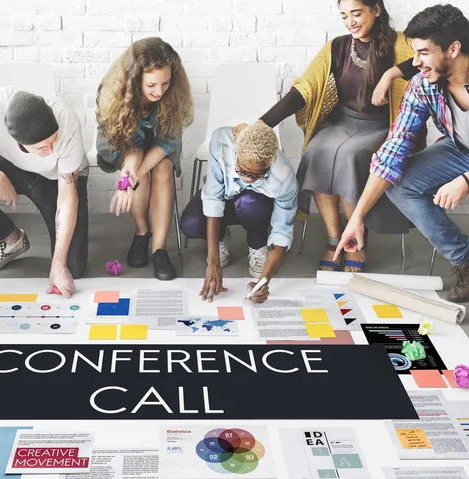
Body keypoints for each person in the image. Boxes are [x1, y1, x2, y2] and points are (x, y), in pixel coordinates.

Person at [250, 0, 424, 273]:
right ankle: (334, 239)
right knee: (316, 150)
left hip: (382, 126)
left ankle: (356, 238)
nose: (350, 22)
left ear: (376, 10)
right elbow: (304, 88)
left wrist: (392, 73)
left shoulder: (402, 43)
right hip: (342, 121)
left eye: (356, 13)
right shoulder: (338, 47)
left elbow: (430, 57)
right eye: (344, 16)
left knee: (348, 155)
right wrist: (262, 124)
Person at [336, 4, 469, 303]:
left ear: (453, 49)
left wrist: (466, 180)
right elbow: (394, 148)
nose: (416, 62)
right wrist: (357, 217)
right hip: (460, 149)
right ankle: (465, 260)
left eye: (423, 52)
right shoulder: (424, 86)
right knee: (401, 184)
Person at [0, 86, 89, 297]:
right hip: (13, 166)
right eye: (42, 147)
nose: (50, 149)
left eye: (53, 140)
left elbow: (67, 198)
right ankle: (12, 239)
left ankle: (60, 261)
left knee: (72, 267)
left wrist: (58, 264)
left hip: (59, 177)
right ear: (19, 142)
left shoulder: (66, 120)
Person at [95, 37, 194, 281]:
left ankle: (159, 248)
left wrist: (133, 175)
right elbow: (127, 145)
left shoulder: (173, 95)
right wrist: (131, 170)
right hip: (122, 143)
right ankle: (142, 232)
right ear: (135, 78)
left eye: (166, 83)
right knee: (138, 172)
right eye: (151, 84)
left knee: (161, 170)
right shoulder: (112, 93)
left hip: (161, 143)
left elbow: (168, 141)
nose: (159, 91)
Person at [180, 122, 298, 303]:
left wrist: (263, 282)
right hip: (225, 199)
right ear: (236, 152)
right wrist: (213, 262)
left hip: (255, 209)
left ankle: (258, 243)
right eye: (241, 170)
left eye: (258, 175)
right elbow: (213, 198)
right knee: (191, 224)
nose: (248, 179)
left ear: (271, 161)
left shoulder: (284, 179)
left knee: (249, 201)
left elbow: (281, 233)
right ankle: (220, 236)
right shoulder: (221, 142)